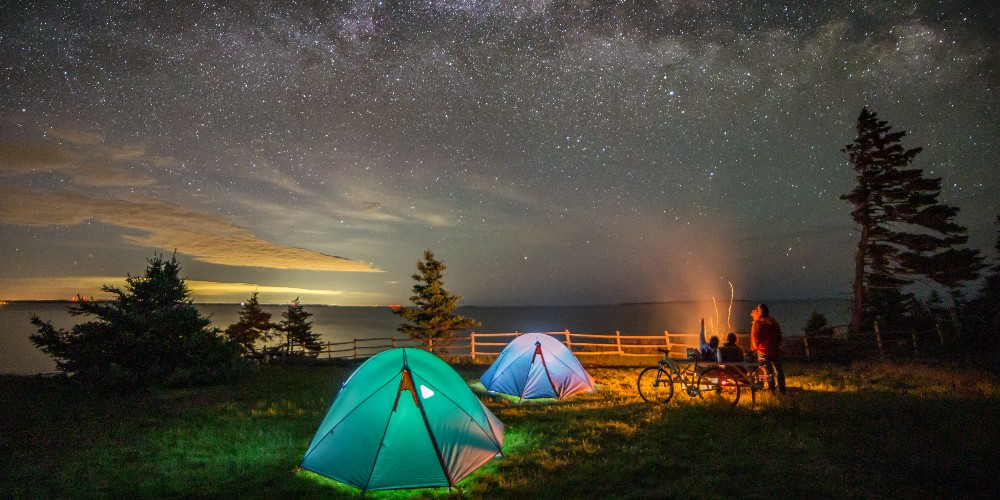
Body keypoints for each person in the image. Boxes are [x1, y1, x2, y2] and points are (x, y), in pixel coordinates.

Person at [750, 303, 786, 394]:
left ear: (759, 311)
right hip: (775, 350)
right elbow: (779, 336)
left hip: (763, 350)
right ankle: (782, 389)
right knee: (778, 370)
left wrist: (754, 348)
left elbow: (755, 338)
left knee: (766, 371)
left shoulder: (758, 323)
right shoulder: (774, 322)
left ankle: (771, 388)